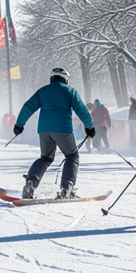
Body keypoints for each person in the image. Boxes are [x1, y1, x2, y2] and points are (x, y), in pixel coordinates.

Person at [13, 67, 94, 200]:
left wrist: (19, 125)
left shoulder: (43, 91)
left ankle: (31, 182)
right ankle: (67, 188)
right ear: (66, 79)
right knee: (72, 156)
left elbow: (28, 106)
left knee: (45, 158)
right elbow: (82, 110)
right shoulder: (70, 91)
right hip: (63, 129)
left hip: (44, 130)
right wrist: (89, 127)